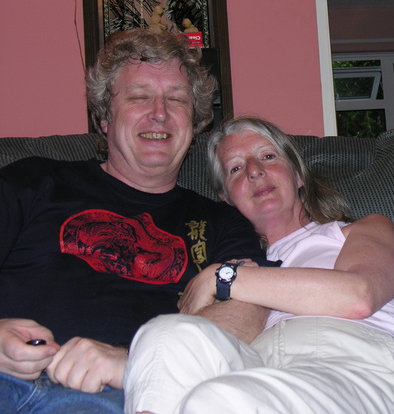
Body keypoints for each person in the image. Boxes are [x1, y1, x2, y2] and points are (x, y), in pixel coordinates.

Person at [0, 29, 268, 413]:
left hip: (132, 394)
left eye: (177, 99)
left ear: (194, 122)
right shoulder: (32, 181)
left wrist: (137, 363)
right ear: (105, 118)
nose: (159, 112)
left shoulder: (222, 222)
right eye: (139, 97)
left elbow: (247, 313)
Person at [123, 117, 394, 414]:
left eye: (268, 156)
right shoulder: (236, 262)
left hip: (355, 365)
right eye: (236, 168)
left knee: (220, 401)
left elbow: (359, 296)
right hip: (257, 368)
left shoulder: (360, 230)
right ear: (226, 198)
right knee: (162, 334)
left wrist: (223, 278)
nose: (254, 171)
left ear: (297, 175)